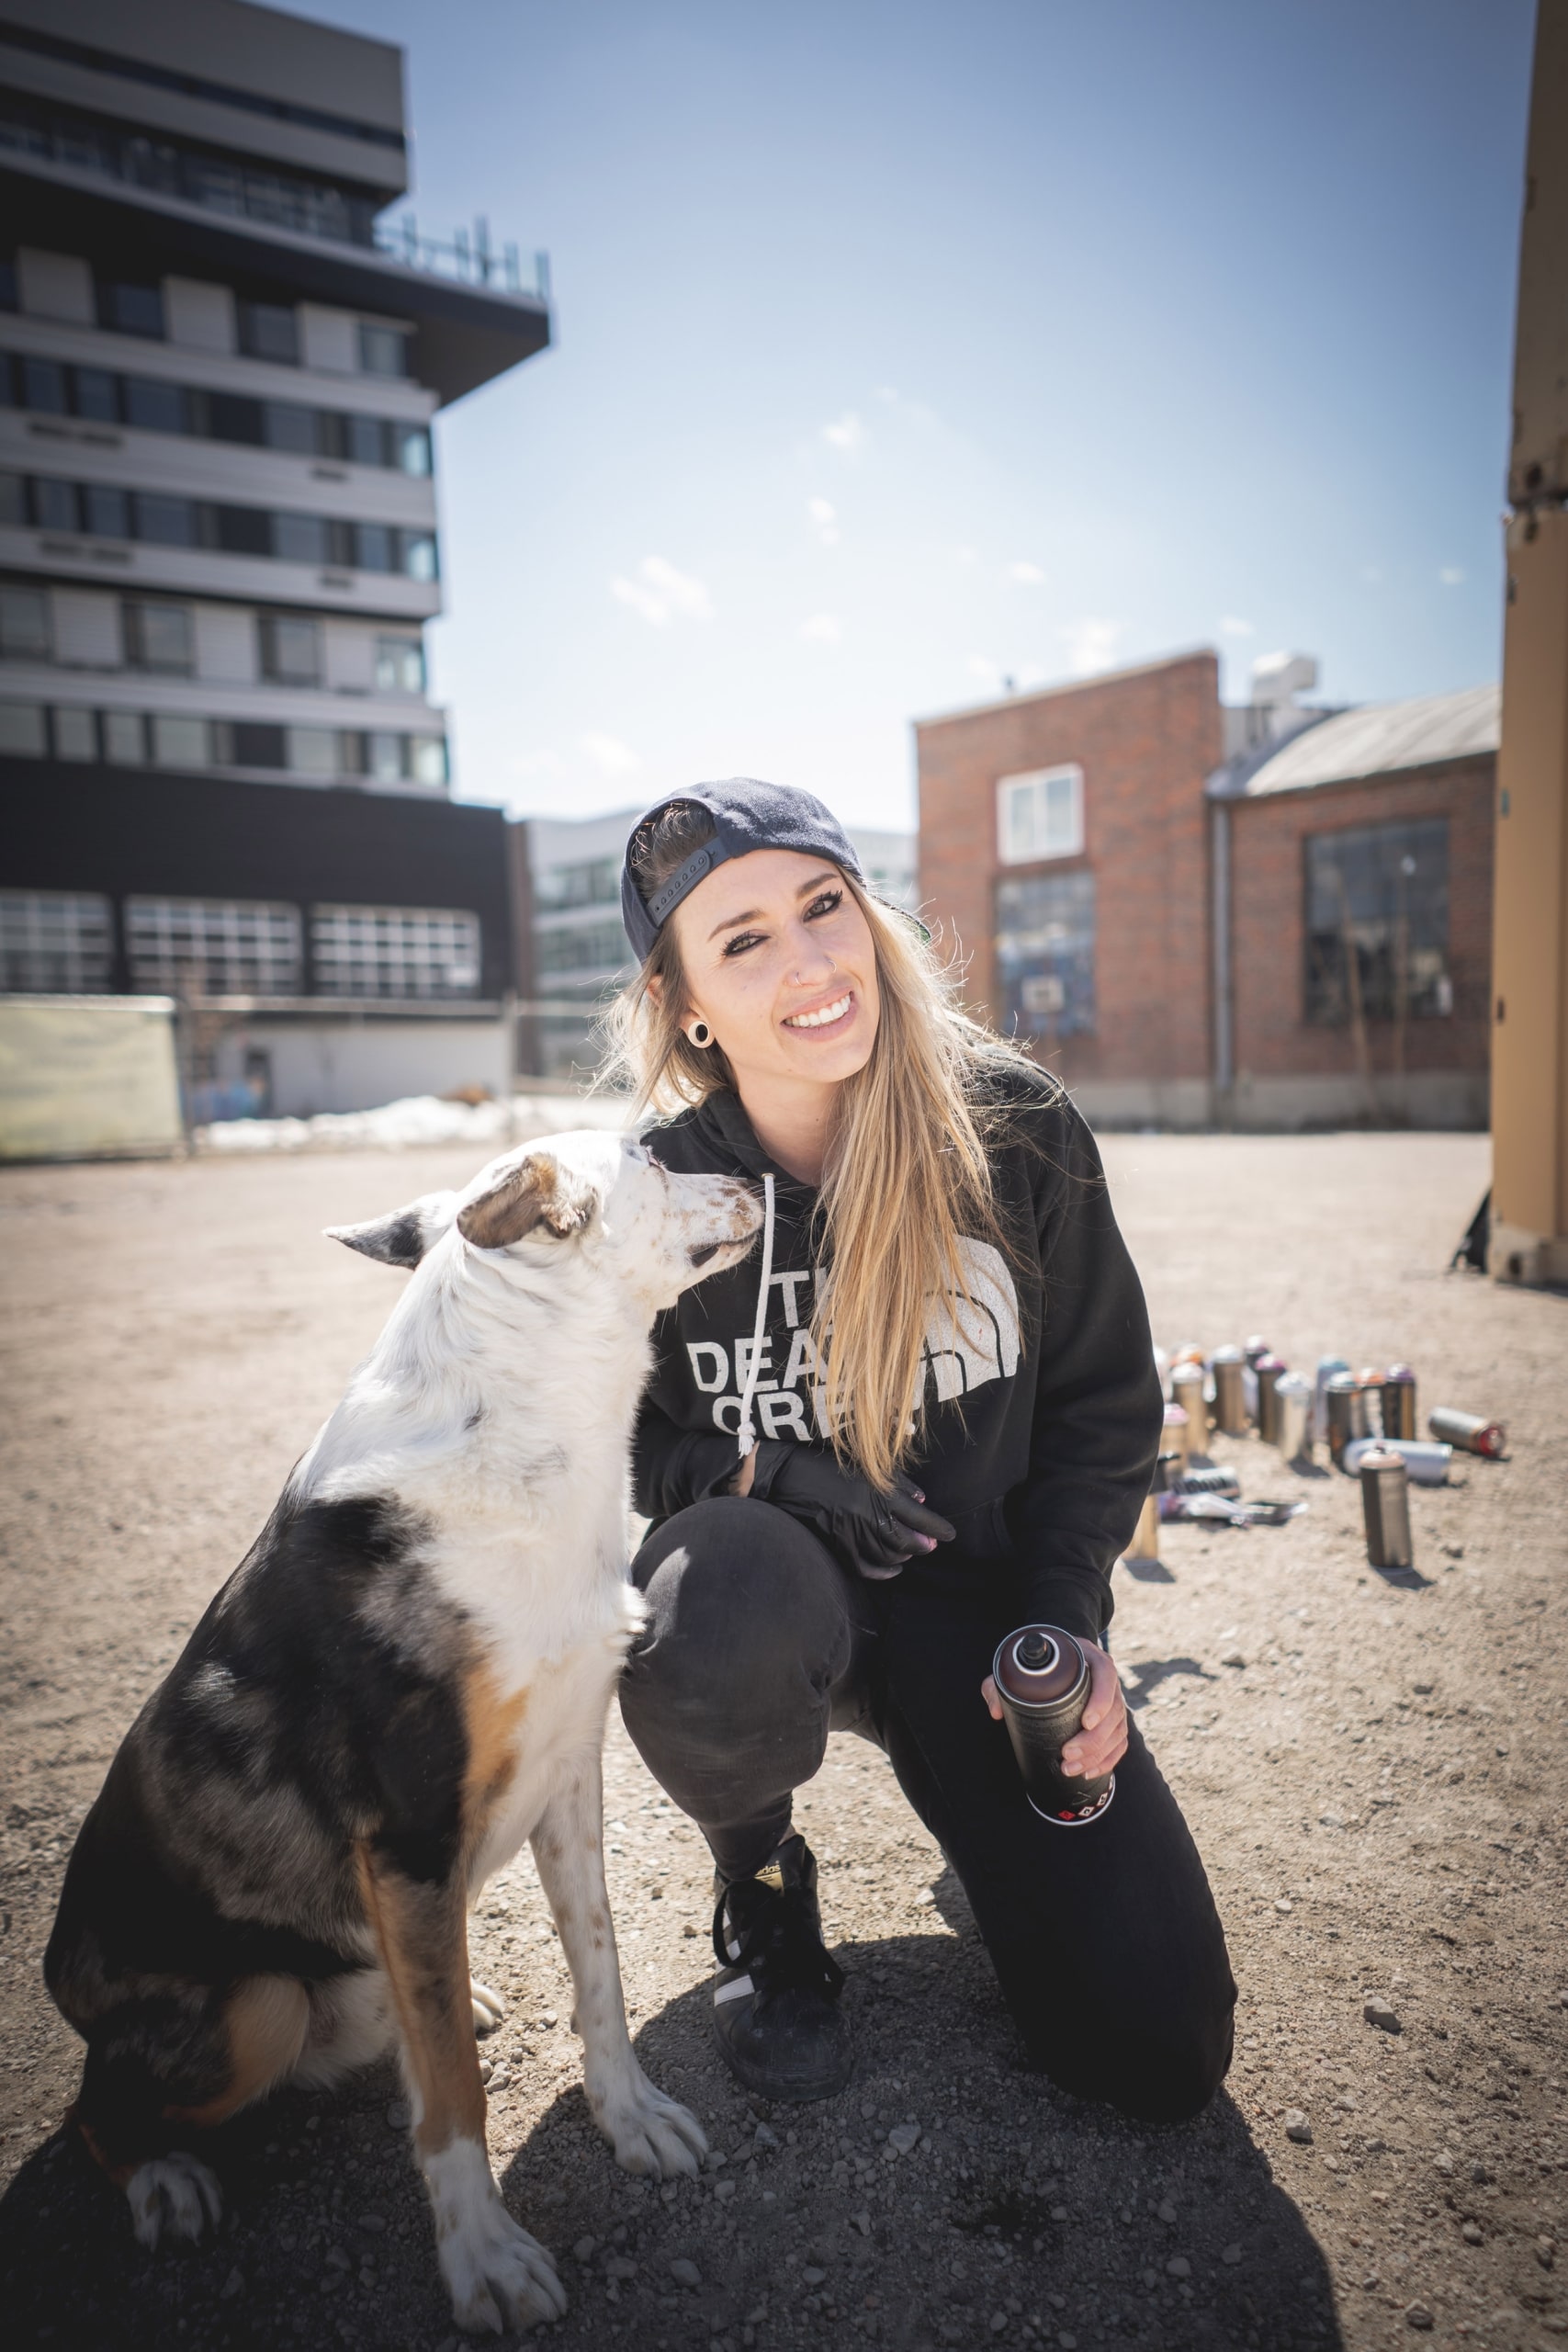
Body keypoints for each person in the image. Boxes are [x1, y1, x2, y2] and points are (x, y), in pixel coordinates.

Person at [607, 778, 1235, 2121]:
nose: (811, 960)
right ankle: (763, 1887)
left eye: (823, 906)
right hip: (774, 1591)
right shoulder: (653, 1199)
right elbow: (631, 1448)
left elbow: (1102, 1407)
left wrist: (1066, 1625)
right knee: (705, 1591)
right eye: (744, 939)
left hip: (980, 1610)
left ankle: (976, 1801)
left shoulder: (1012, 1130)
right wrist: (782, 1476)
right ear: (687, 1007)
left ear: (871, 914)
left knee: (1157, 2051)